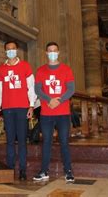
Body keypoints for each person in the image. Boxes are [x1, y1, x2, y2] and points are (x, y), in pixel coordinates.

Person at [33, 42, 76, 183]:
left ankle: (68, 171)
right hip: (46, 113)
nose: (52, 53)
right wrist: (49, 99)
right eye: (49, 51)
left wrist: (59, 100)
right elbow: (38, 90)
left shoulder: (66, 70)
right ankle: (44, 171)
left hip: (63, 112)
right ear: (46, 53)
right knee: (46, 142)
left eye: (54, 51)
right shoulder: (40, 71)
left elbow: (71, 89)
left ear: (58, 52)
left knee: (64, 141)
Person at [0, 40, 36, 181]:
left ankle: (23, 170)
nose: (10, 51)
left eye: (13, 48)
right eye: (8, 49)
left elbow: (32, 87)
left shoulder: (25, 66)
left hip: (22, 107)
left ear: (17, 50)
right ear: (5, 51)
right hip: (7, 108)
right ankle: (10, 168)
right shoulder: (1, 69)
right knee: (10, 140)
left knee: (23, 141)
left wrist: (31, 105)